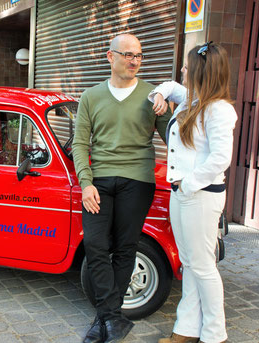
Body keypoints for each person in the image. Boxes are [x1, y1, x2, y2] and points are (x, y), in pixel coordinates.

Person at [73, 33, 172, 343]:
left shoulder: (151, 97)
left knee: (125, 248)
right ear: (110, 57)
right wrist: (85, 183)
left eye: (139, 55)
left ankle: (105, 320)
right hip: (99, 181)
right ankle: (112, 318)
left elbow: (175, 137)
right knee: (95, 244)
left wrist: (171, 101)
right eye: (128, 54)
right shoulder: (90, 96)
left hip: (137, 180)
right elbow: (79, 143)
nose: (134, 61)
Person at [149, 42, 237, 343]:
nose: (182, 70)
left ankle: (215, 335)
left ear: (200, 71)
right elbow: (168, 86)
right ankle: (186, 329)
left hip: (200, 194)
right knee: (189, 264)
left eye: (187, 66)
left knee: (203, 266)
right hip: (183, 194)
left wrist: (188, 183)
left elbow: (220, 158)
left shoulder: (219, 110)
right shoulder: (191, 99)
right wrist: (160, 94)